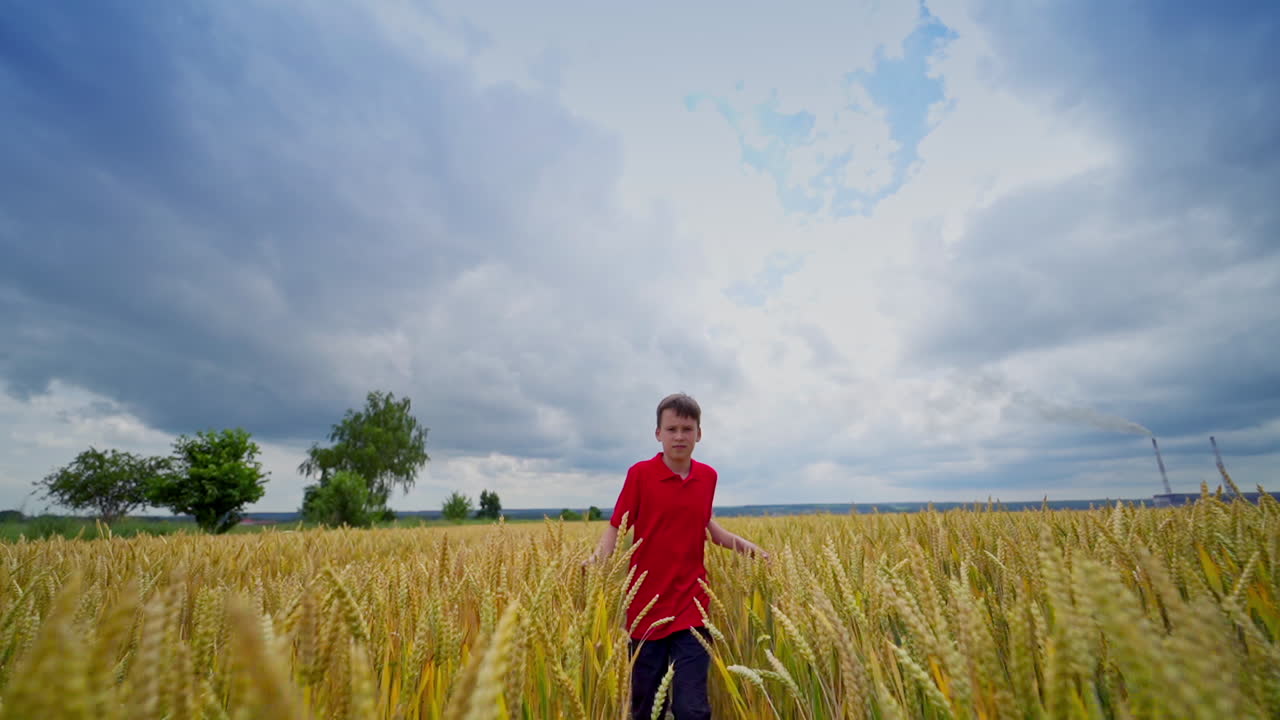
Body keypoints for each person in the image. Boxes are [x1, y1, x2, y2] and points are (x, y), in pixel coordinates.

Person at [587, 392, 768, 720]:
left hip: (693, 607)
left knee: (692, 707)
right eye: (672, 429)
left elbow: (707, 527)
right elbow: (617, 526)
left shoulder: (708, 477)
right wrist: (597, 559)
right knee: (644, 708)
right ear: (658, 434)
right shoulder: (640, 474)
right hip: (645, 609)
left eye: (687, 429)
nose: (679, 436)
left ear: (699, 433)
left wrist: (748, 548)